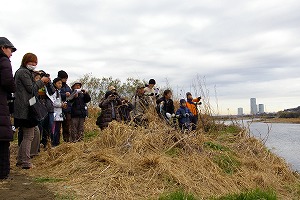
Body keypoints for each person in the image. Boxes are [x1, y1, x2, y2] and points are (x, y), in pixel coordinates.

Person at [14, 53, 50, 169]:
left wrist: (35, 75)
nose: (34, 65)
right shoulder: (23, 72)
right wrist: (42, 81)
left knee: (31, 133)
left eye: (36, 63)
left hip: (24, 108)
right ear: (26, 61)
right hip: (25, 109)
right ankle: (25, 161)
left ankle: (21, 160)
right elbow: (32, 89)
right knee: (29, 135)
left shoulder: (25, 72)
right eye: (32, 62)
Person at [0, 37, 16, 179]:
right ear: (3, 48)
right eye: (10, 49)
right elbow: (8, 82)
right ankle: (3, 172)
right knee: (3, 139)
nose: (11, 53)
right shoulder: (4, 60)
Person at [50, 77, 67, 146]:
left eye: (61, 83)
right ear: (54, 83)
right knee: (54, 130)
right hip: (54, 114)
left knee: (58, 130)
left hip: (59, 114)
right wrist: (61, 105)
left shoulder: (58, 91)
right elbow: (53, 102)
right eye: (58, 83)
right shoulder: (53, 92)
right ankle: (53, 143)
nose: (60, 85)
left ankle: (57, 143)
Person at [58, 70, 72, 142]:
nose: (65, 80)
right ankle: (55, 141)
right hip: (59, 109)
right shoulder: (57, 85)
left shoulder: (67, 86)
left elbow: (71, 95)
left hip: (67, 109)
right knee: (57, 127)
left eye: (66, 78)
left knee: (67, 126)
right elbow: (56, 95)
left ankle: (66, 141)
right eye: (64, 78)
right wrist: (64, 95)